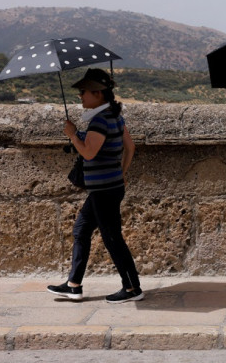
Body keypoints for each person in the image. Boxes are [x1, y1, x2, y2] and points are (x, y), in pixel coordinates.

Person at [47, 68, 143, 304]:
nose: (80, 96)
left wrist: (72, 135)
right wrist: (121, 173)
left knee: (112, 238)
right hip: (108, 187)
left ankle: (132, 288)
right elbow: (130, 147)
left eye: (83, 92)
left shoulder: (100, 120)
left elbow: (89, 152)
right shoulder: (114, 116)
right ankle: (73, 285)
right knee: (81, 230)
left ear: (98, 94)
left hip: (103, 191)